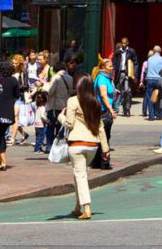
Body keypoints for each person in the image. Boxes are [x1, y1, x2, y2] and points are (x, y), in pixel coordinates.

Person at [58, 71, 109, 220]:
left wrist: (60, 116)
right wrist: (105, 149)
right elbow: (100, 127)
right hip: (92, 144)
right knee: (80, 173)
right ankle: (77, 206)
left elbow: (69, 123)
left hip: (76, 143)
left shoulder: (73, 100)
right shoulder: (96, 102)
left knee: (80, 175)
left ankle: (86, 208)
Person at [142, 46, 162, 122]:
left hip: (150, 79)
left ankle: (151, 116)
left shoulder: (149, 59)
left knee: (150, 97)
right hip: (158, 79)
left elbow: (147, 69)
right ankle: (159, 115)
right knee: (160, 97)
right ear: (160, 51)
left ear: (153, 51)